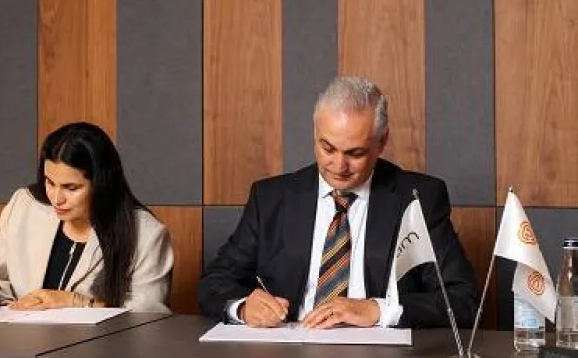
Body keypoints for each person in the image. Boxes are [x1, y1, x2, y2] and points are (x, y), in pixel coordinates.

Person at [198, 76, 477, 329]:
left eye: (355, 153)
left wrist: (379, 310)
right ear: (315, 134)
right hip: (288, 353)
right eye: (327, 148)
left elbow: (461, 300)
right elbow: (214, 283)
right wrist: (243, 307)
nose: (338, 166)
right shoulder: (271, 198)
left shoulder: (417, 198)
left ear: (382, 142)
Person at [0, 121, 174, 313]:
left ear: (102, 184)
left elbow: (148, 317)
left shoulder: (146, 235)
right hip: (22, 343)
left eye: (71, 188)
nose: (56, 198)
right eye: (50, 182)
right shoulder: (25, 207)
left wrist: (75, 301)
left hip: (96, 347)